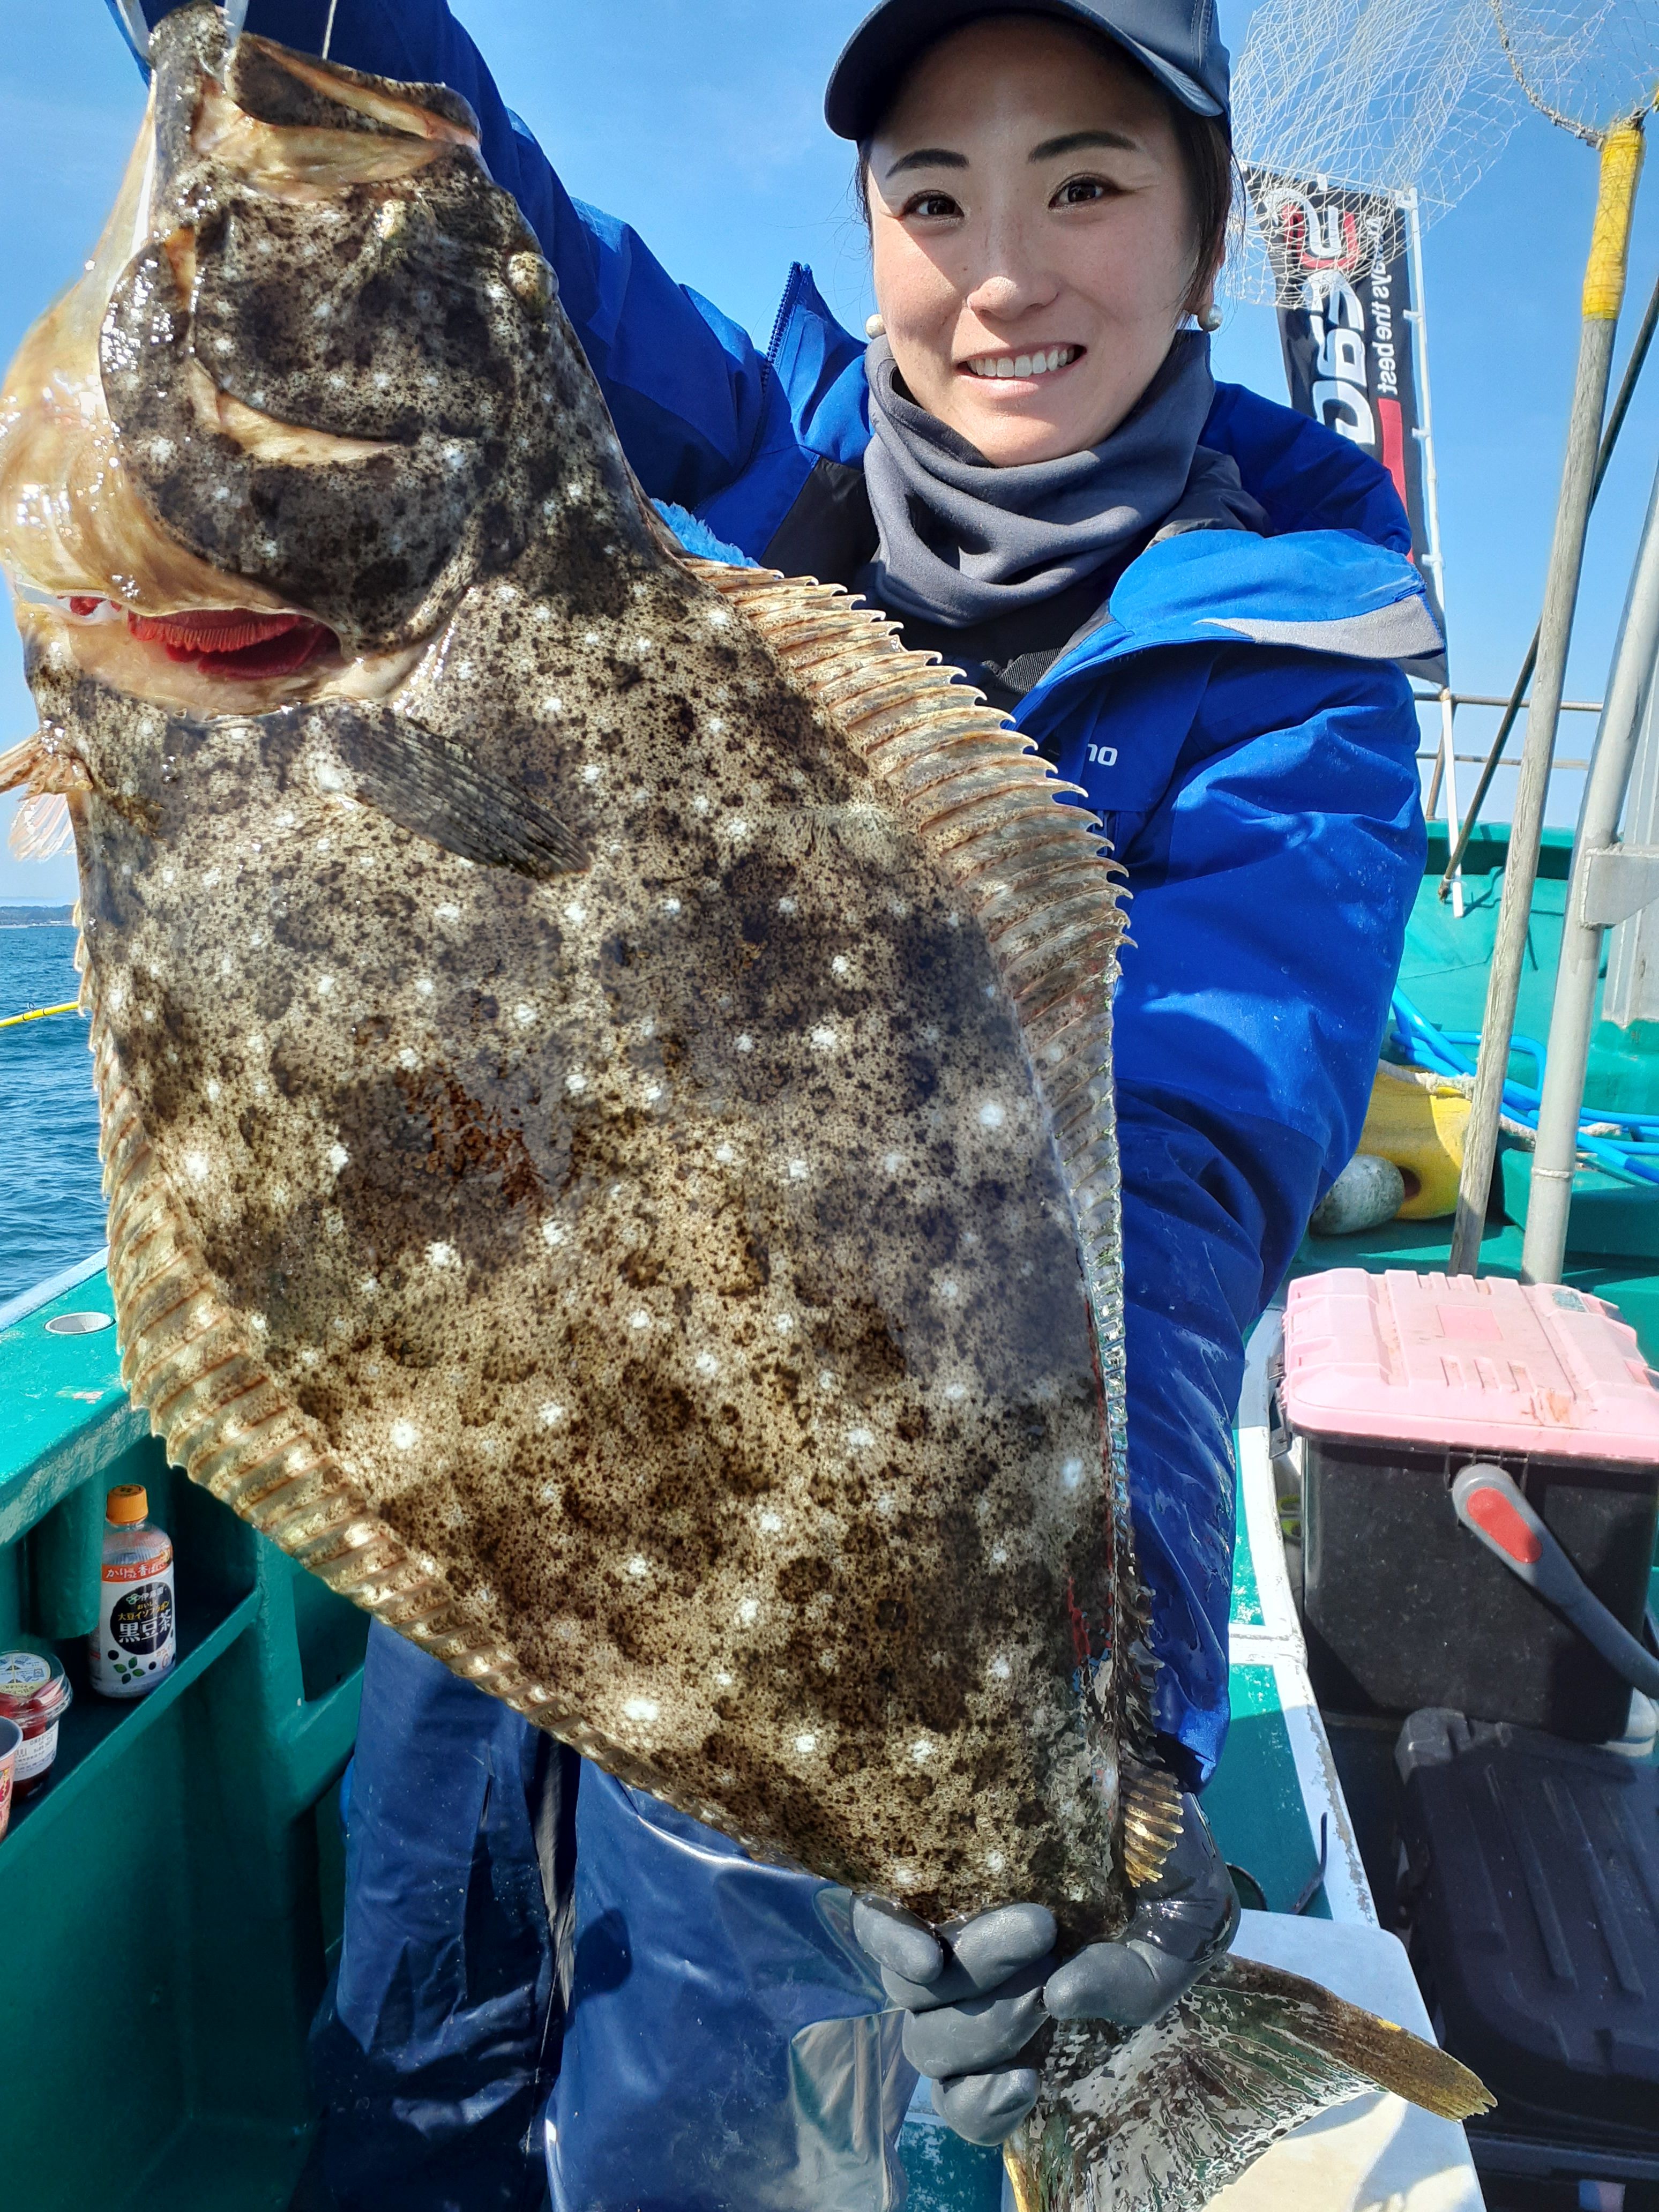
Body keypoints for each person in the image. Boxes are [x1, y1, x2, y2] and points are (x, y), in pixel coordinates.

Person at [108, 1, 1437, 2203]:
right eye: (935, 196)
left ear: (1208, 238)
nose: (1001, 272)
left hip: (861, 1563)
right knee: (413, 2053)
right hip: (517, 1456)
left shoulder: (1299, 678)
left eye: (1085, 185)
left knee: (707, 2135)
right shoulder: (759, 456)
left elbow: (1173, 1182)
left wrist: (1110, 1737)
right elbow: (466, 201)